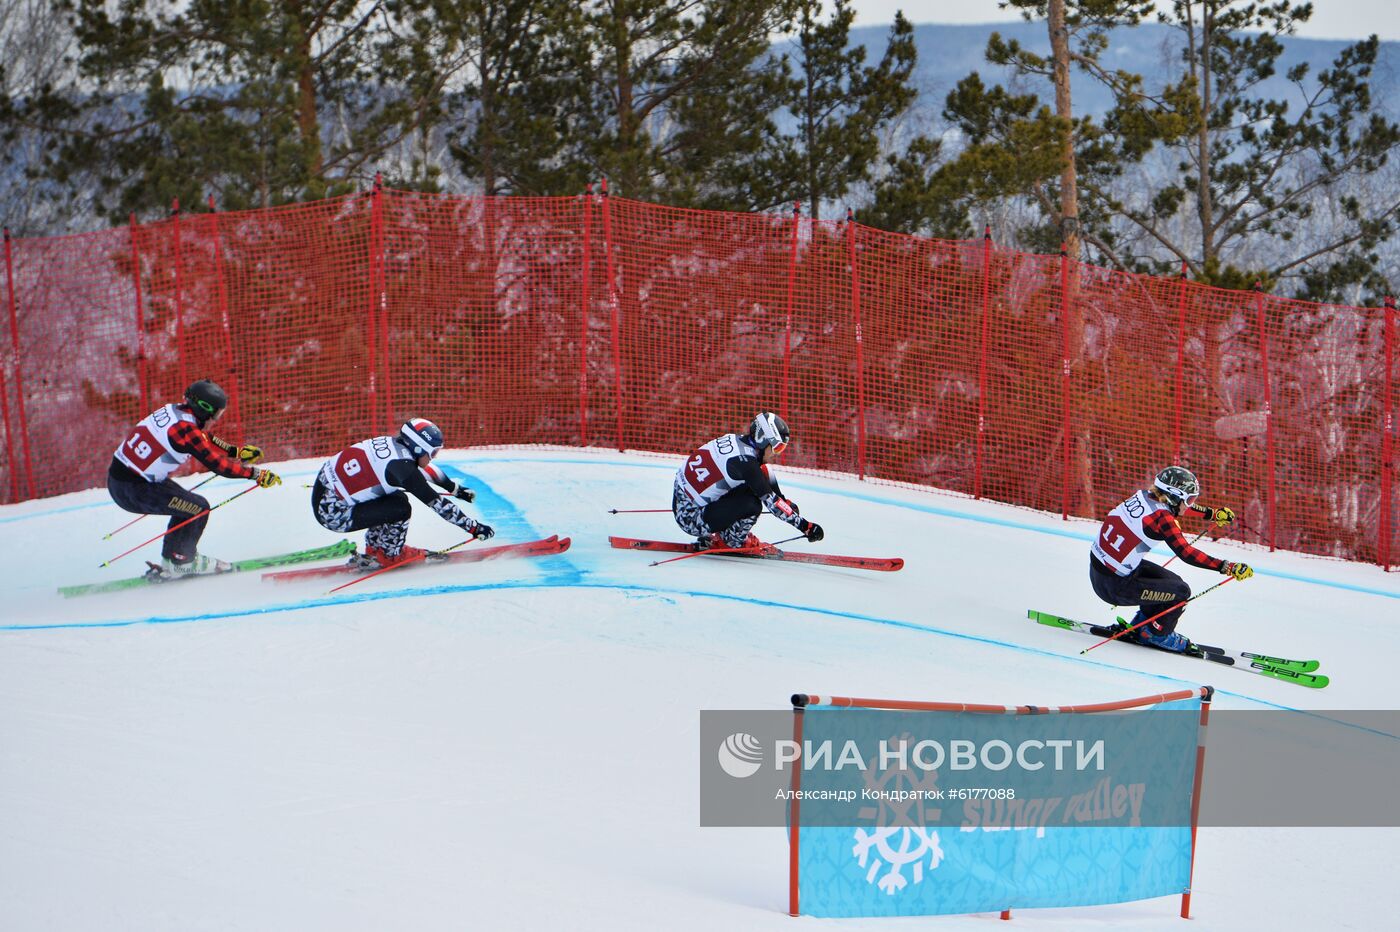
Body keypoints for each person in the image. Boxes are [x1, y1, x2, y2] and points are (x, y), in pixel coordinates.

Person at [108, 379, 283, 577]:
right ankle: (180, 562)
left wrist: (235, 451)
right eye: (216, 414)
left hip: (129, 480)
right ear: (204, 409)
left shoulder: (175, 411)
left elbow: (203, 439)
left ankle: (174, 560)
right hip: (133, 489)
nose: (216, 419)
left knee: (188, 506)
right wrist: (255, 474)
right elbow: (218, 465)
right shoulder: (185, 429)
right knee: (198, 508)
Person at [1089, 465, 1253, 652]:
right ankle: (1156, 635)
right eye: (1189, 500)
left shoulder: (1143, 496)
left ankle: (1142, 625)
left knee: (1172, 582)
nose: (1190, 504)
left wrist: (1211, 514)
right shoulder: (1163, 518)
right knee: (1181, 592)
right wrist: (1225, 566)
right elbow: (1186, 552)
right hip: (1114, 587)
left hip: (1102, 572)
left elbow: (1176, 508)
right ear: (1174, 496)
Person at [312, 417, 494, 568]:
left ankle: (376, 548)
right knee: (400, 507)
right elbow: (439, 505)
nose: (434, 457)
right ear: (418, 448)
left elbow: (424, 470)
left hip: (325, 492)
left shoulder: (395, 447)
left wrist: (454, 489)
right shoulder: (403, 469)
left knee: (392, 497)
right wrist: (474, 528)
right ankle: (390, 555)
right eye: (433, 452)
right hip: (332, 514)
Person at [672, 412, 824, 552]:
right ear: (763, 440)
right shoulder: (746, 464)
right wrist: (806, 527)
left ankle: (726, 532)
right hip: (691, 519)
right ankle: (732, 541)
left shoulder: (737, 442)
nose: (776, 454)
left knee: (753, 486)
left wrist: (784, 501)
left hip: (684, 503)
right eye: (777, 448)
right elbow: (772, 503)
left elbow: (763, 474)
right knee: (752, 504)